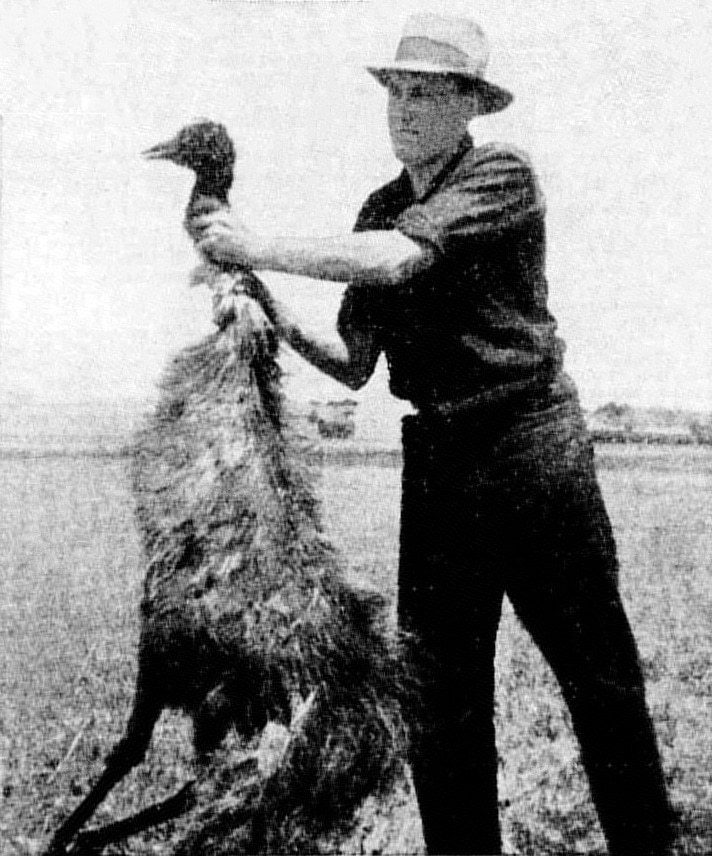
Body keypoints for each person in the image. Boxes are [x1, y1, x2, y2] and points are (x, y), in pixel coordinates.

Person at [186, 14, 674, 855]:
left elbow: (397, 261)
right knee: (439, 704)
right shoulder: (380, 206)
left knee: (600, 684)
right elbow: (350, 362)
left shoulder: (501, 177)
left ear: (470, 106)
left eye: (428, 92)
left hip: (532, 452)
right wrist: (262, 294)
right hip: (441, 468)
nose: (405, 108)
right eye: (397, 91)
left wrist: (258, 242)